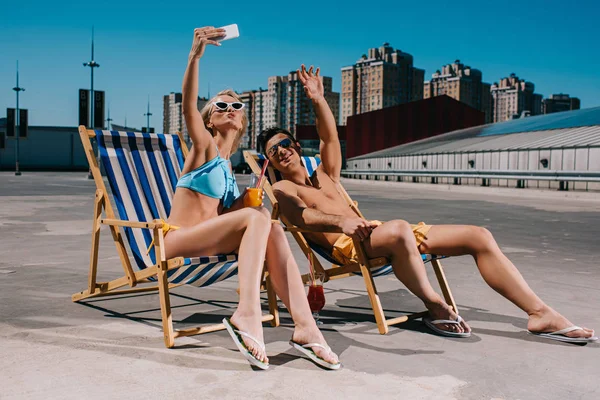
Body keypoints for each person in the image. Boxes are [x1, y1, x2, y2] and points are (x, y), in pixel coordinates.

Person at [258, 64, 597, 344]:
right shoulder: (285, 186)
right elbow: (302, 217)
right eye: (274, 151)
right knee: (400, 229)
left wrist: (318, 98)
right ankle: (435, 305)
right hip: (350, 244)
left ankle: (539, 313)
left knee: (478, 235)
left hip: (382, 233)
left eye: (285, 143)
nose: (282, 151)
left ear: (297, 146)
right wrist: (341, 223)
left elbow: (330, 135)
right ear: (270, 162)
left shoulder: (327, 173)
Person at [163, 29, 340, 370]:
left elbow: (223, 218)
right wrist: (195, 56)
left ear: (242, 119)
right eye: (220, 106)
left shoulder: (229, 168)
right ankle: (247, 313)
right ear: (208, 119)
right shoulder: (204, 148)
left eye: (236, 106)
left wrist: (244, 202)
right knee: (258, 218)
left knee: (270, 226)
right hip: (175, 242)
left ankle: (306, 328)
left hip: (207, 241)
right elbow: (187, 105)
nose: (229, 109)